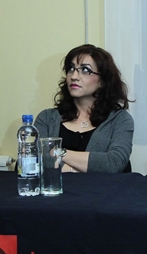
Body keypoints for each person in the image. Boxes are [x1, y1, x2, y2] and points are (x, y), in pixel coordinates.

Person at [34, 44, 133, 173]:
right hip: (58, 187)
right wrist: (77, 170)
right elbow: (37, 159)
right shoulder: (47, 118)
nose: (74, 76)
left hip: (103, 187)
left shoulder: (120, 119)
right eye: (71, 69)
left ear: (102, 81)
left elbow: (114, 162)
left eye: (85, 70)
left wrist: (59, 152)